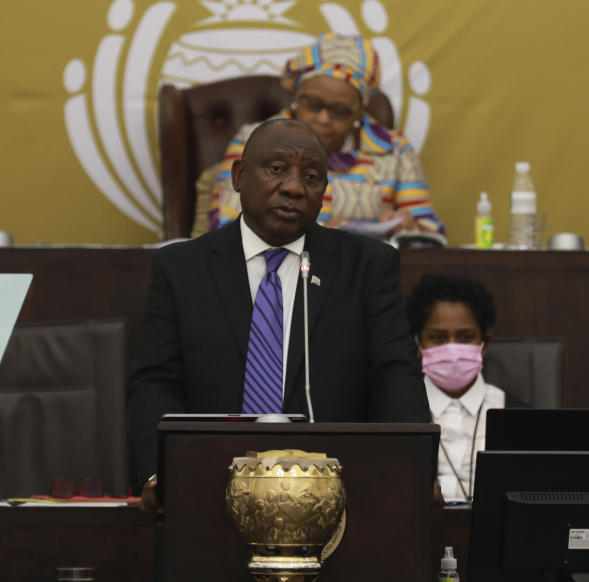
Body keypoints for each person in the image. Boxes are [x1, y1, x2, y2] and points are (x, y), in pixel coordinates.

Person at [127, 118, 430, 508]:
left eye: (311, 177)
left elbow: (395, 376)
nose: (293, 187)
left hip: (336, 495)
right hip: (206, 490)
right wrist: (159, 474)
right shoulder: (182, 268)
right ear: (238, 176)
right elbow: (155, 381)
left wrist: (414, 473)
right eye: (276, 170)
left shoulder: (366, 266)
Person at [206, 33, 445, 240]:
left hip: (367, 277)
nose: (322, 119)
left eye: (339, 111)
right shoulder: (254, 140)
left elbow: (431, 234)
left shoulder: (394, 149)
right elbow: (227, 225)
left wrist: (411, 228)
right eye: (312, 104)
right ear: (296, 97)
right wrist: (319, 236)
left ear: (358, 113)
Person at [406, 274, 525, 501]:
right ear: (419, 344)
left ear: (485, 343)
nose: (452, 348)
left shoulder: (516, 416)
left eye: (465, 337)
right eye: (438, 337)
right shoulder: (397, 413)